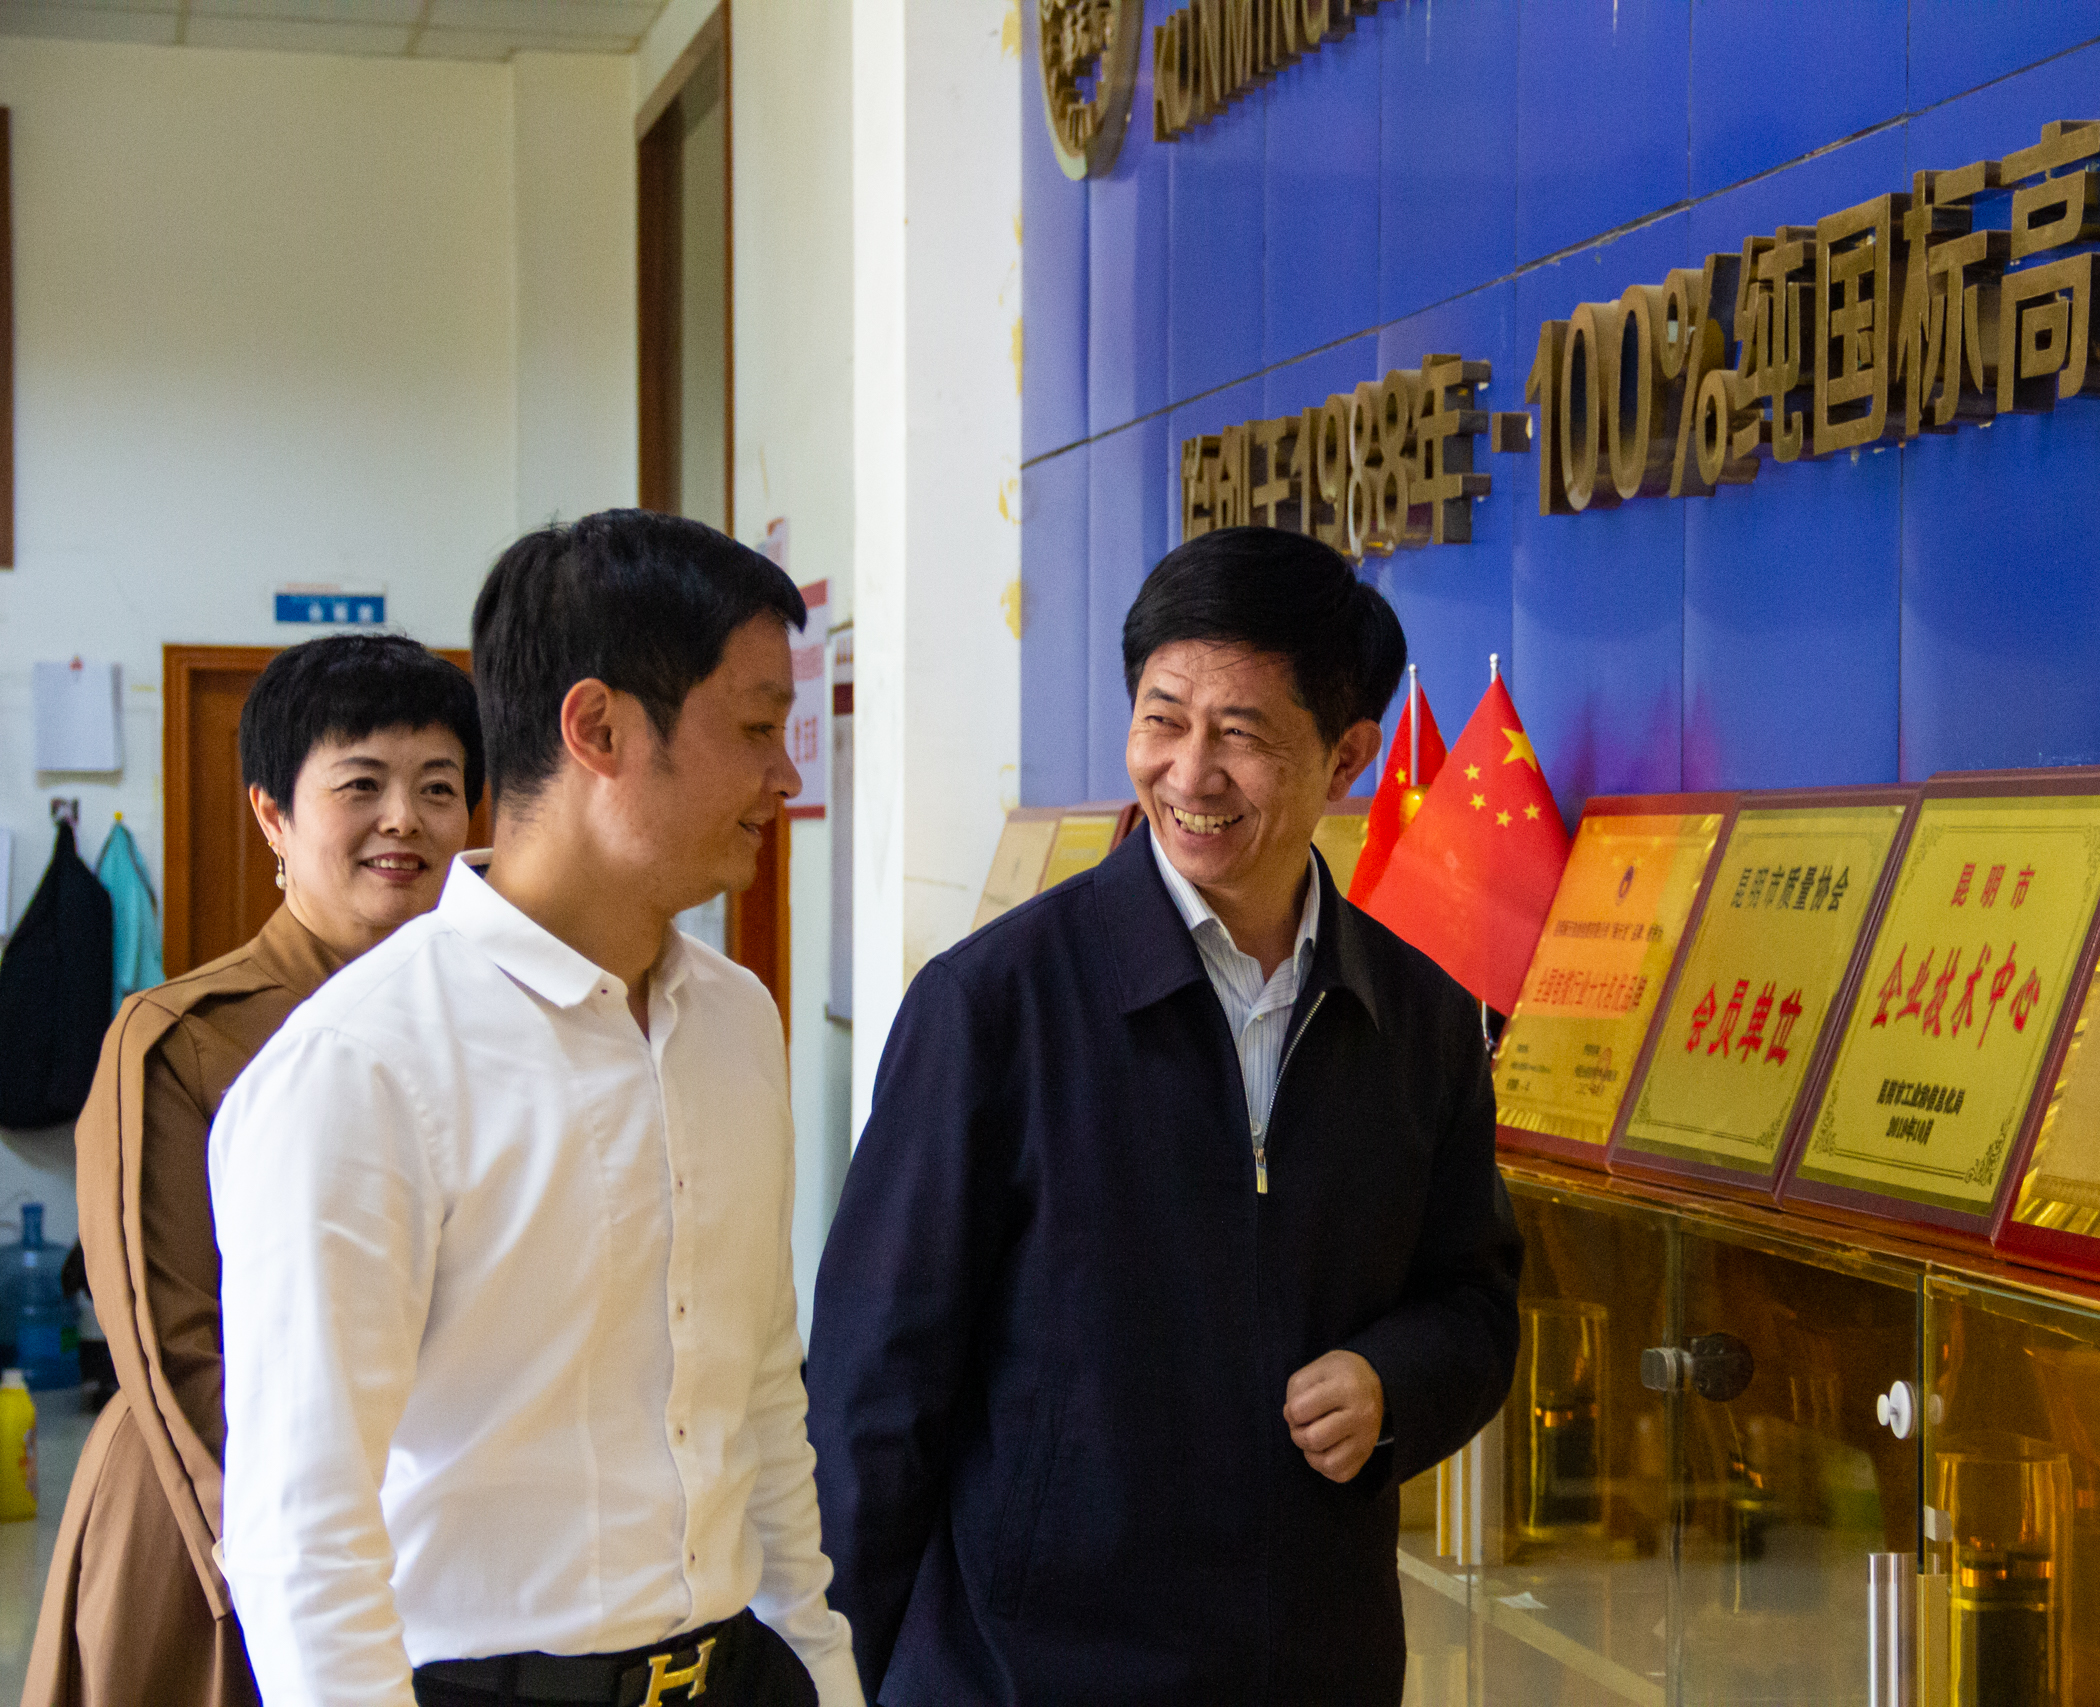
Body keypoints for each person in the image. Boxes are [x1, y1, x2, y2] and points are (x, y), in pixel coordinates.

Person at [808, 525, 1524, 1705]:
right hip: (1026, 1674)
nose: (1189, 774)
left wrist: (1393, 1382)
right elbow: (875, 1383)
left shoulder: (1421, 1022)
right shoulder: (992, 1007)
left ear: (1348, 754)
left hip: (1311, 1667)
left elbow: (1475, 1301)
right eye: (1162, 719)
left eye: (1240, 732)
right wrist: (851, 1672)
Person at [210, 511, 858, 1707]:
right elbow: (302, 1535)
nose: (787, 774)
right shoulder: (363, 1067)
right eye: (755, 728)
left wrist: (822, 1667)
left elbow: (762, 1395)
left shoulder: (734, 1020)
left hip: (739, 1674)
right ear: (598, 729)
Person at [26, 634, 484, 1707]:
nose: (404, 819)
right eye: (360, 784)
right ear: (272, 815)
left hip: (450, 1531)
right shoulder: (181, 1039)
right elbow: (177, 1350)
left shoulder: (495, 1023)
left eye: (438, 787)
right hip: (219, 1536)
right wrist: (304, 1571)